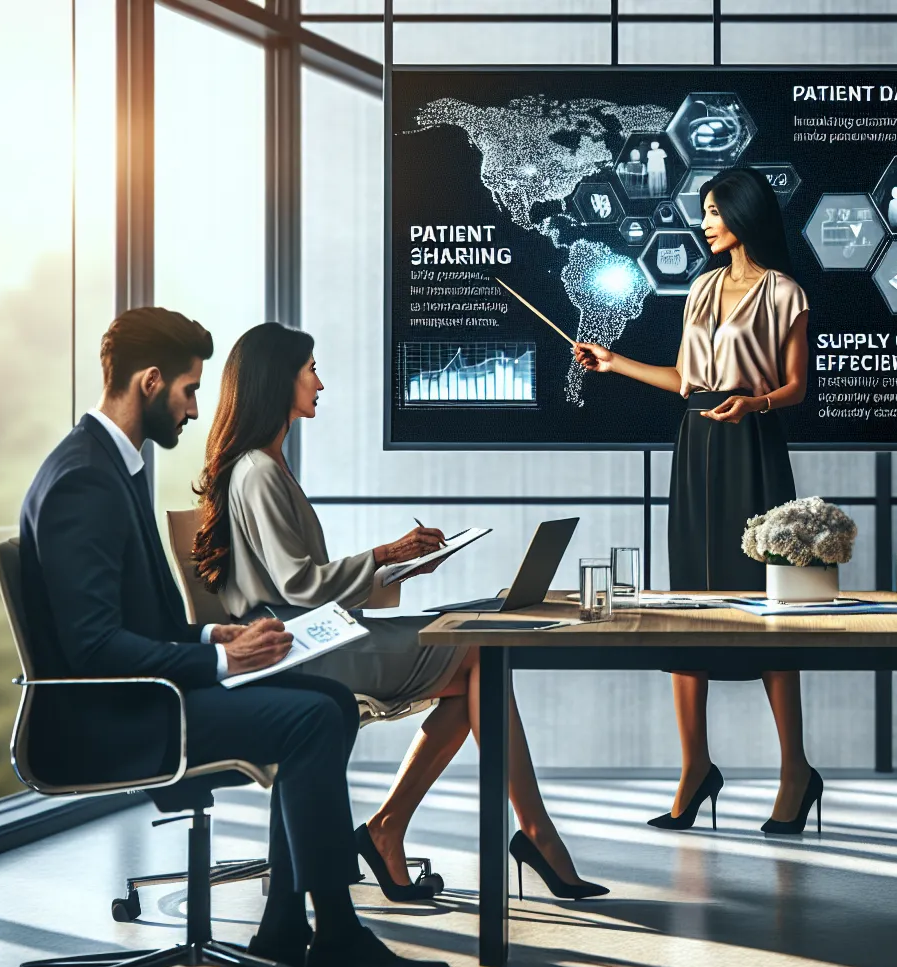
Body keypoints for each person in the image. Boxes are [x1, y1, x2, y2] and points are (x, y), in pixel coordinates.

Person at [18, 307, 450, 967]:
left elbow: (132, 622)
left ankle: (280, 937)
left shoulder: (110, 467)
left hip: (148, 690)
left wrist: (214, 637)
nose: (196, 408)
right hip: (114, 717)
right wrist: (223, 663)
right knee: (313, 717)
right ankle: (336, 936)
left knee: (329, 704)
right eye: (189, 389)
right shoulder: (84, 480)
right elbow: (94, 646)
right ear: (150, 382)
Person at [193, 322, 606, 901]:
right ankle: (528, 834)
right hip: (303, 651)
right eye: (310, 368)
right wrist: (385, 554)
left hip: (319, 634)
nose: (320, 381)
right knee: (479, 651)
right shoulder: (258, 471)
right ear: (275, 380)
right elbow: (299, 584)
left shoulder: (267, 464)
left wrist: (396, 570)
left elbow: (306, 583)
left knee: (477, 653)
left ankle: (394, 831)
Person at [572, 167, 820, 834]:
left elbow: (796, 385)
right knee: (690, 607)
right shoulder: (703, 288)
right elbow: (686, 379)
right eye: (704, 210)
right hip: (698, 449)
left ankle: (795, 771)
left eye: (714, 210)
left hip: (755, 445)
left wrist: (755, 402)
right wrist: (613, 362)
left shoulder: (785, 293)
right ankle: (694, 769)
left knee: (771, 610)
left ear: (743, 214)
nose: (705, 221)